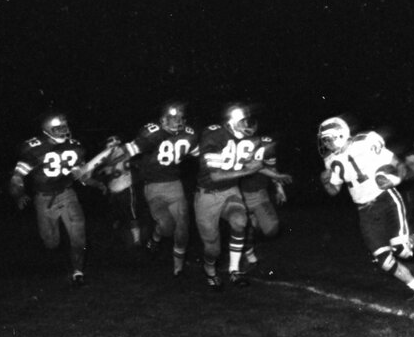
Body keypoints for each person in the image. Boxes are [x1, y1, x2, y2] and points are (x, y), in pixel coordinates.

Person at [318, 116, 414, 299]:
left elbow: (397, 164)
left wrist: (394, 178)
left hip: (386, 200)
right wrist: (325, 181)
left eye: (328, 138)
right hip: (364, 211)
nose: (326, 144)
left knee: (403, 251)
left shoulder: (366, 141)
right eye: (324, 140)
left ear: (340, 134)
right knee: (384, 261)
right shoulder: (331, 160)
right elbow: (334, 191)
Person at [195, 103, 292, 290]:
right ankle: (209, 269)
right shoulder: (214, 135)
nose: (250, 126)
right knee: (212, 249)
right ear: (232, 121)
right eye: (245, 122)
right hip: (207, 195)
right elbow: (215, 176)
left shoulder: (246, 140)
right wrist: (247, 172)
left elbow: (252, 164)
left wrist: (275, 176)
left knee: (240, 221)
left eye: (251, 121)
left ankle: (234, 270)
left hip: (231, 191)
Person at [8, 112, 98, 287]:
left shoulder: (75, 146)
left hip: (67, 193)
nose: (64, 131)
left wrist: (93, 180)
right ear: (47, 130)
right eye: (58, 128)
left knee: (79, 235)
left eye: (65, 127)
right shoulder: (34, 148)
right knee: (51, 242)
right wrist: (18, 193)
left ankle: (78, 272)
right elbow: (16, 177)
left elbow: (81, 174)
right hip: (44, 198)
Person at [122, 102, 199, 277]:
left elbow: (199, 154)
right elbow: (129, 150)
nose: (177, 122)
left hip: (175, 184)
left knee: (182, 226)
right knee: (167, 227)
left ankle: (177, 267)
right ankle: (156, 236)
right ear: (163, 119)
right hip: (153, 186)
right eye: (172, 118)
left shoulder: (188, 134)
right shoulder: (152, 132)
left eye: (180, 118)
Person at [238, 117, 292, 272]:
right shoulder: (232, 142)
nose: (247, 128)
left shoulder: (265, 143)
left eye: (250, 125)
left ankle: (249, 235)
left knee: (271, 229)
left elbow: (272, 168)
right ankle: (249, 256)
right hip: (238, 193)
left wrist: (279, 188)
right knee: (241, 225)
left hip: (259, 193)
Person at [78, 135, 142, 247]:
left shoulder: (126, 153)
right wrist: (98, 183)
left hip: (127, 188)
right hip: (112, 192)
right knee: (115, 213)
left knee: (132, 213)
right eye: (110, 141)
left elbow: (138, 153)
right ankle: (115, 234)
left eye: (116, 140)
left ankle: (137, 240)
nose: (114, 142)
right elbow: (86, 177)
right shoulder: (101, 161)